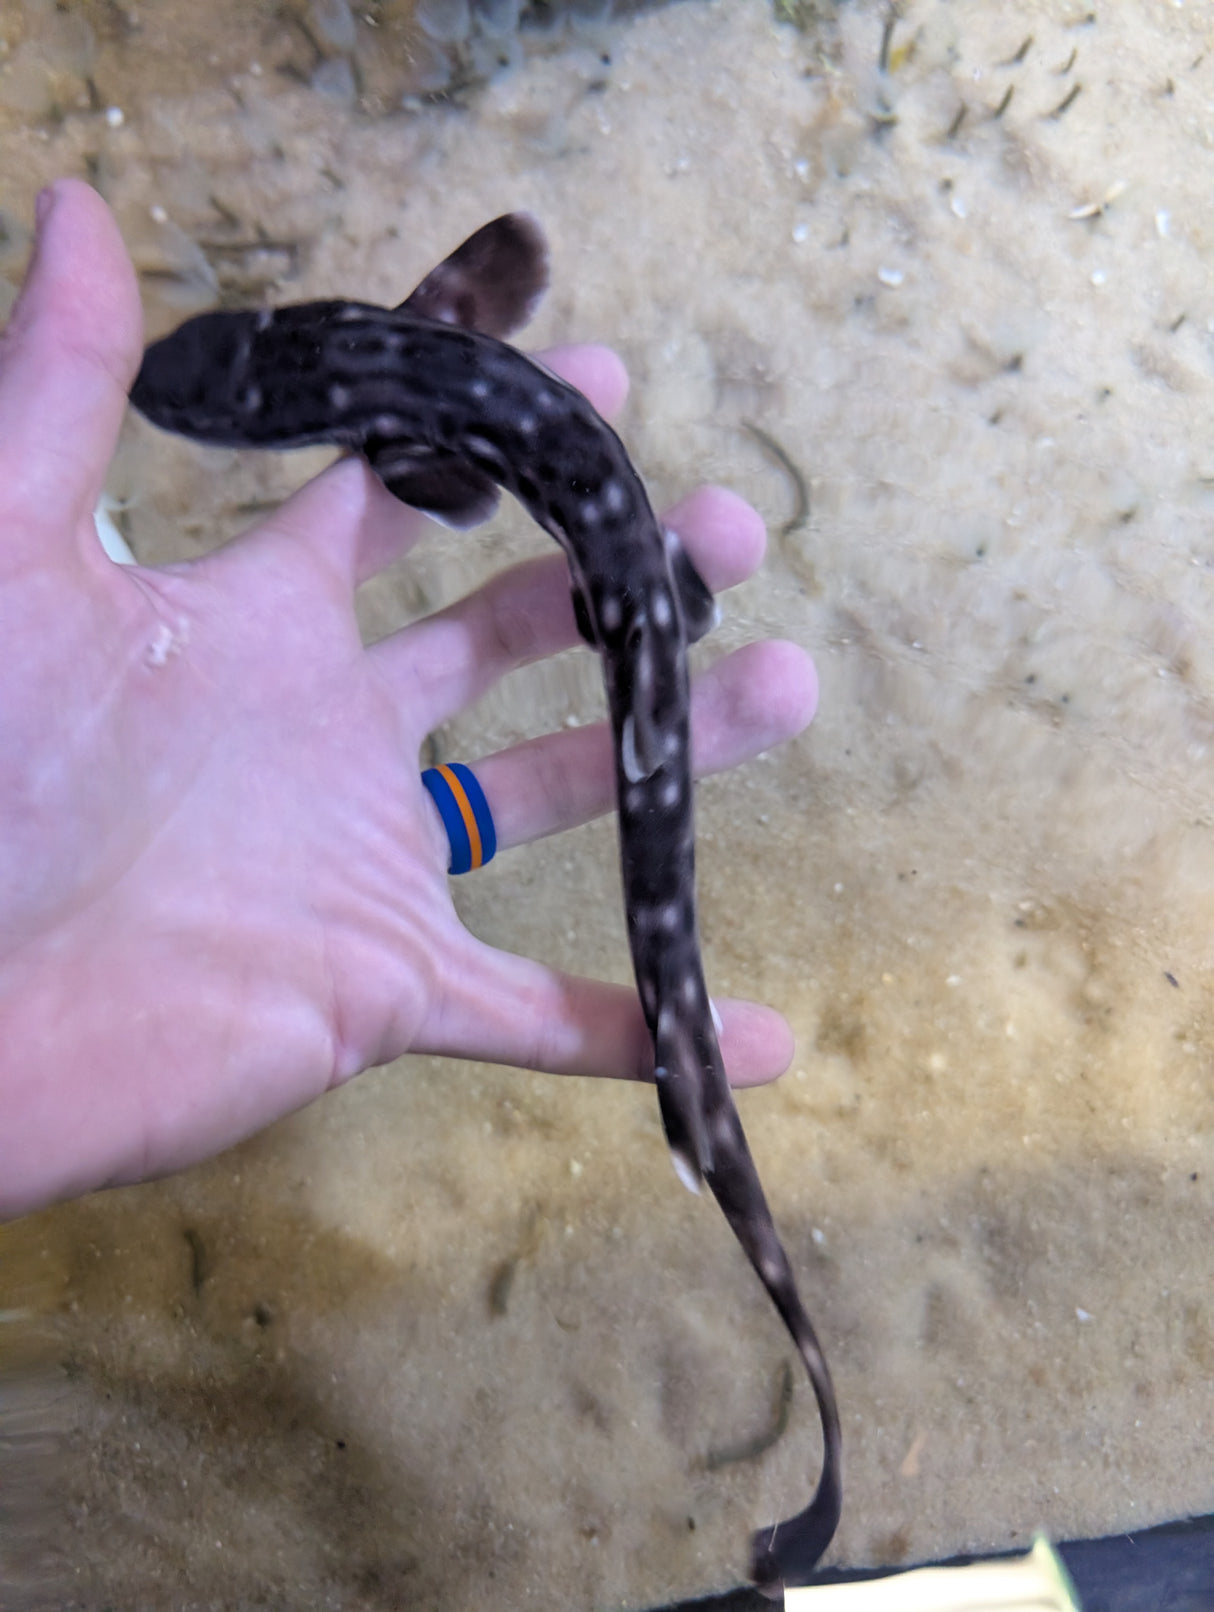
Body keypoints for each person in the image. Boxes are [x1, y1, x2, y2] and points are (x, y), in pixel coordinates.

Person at [0, 180, 819, 1221]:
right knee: (652, 763)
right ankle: (702, 1109)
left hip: (613, 574)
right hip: (620, 571)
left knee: (659, 796)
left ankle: (702, 1109)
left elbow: (456, 486)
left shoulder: (401, 442)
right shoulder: (432, 325)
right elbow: (510, 266)